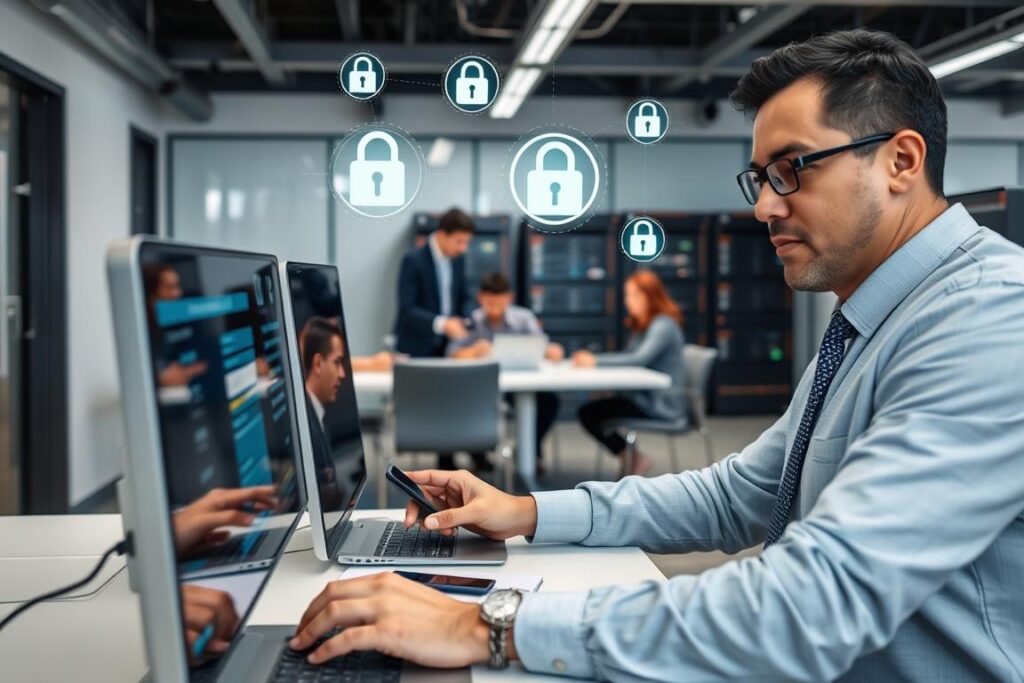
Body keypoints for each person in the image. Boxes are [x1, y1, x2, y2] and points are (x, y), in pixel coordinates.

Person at [284, 30, 1024, 680]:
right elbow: (736, 497)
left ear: (901, 160)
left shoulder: (989, 319)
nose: (764, 206)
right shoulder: (869, 321)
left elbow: (814, 601)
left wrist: (488, 625)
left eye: (793, 168)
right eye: (761, 177)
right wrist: (526, 509)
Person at [448, 272, 563, 475]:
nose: (495, 309)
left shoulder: (524, 318)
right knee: (465, 402)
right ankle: (479, 456)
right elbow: (452, 354)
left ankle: (530, 451)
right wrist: (474, 350)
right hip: (482, 388)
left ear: (509, 298)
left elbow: (543, 347)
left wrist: (551, 351)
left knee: (548, 401)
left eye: (500, 303)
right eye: (490, 303)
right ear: (481, 298)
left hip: (519, 386)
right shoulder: (473, 320)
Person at [573, 270, 685, 477]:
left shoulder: (662, 325)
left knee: (590, 414)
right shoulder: (646, 325)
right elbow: (630, 359)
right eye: (627, 295)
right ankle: (631, 457)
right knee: (591, 412)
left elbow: (638, 359)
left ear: (650, 296)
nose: (628, 301)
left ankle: (633, 458)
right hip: (644, 399)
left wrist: (595, 361)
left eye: (634, 295)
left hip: (660, 405)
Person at [394, 207, 475, 469]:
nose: (463, 248)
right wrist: (442, 323)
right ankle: (445, 463)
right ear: (441, 235)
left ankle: (458, 457)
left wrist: (464, 319)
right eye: (459, 241)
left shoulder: (458, 260)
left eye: (466, 242)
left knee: (457, 400)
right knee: (436, 405)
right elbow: (407, 310)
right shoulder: (413, 260)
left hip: (449, 345)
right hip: (419, 346)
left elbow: (464, 296)